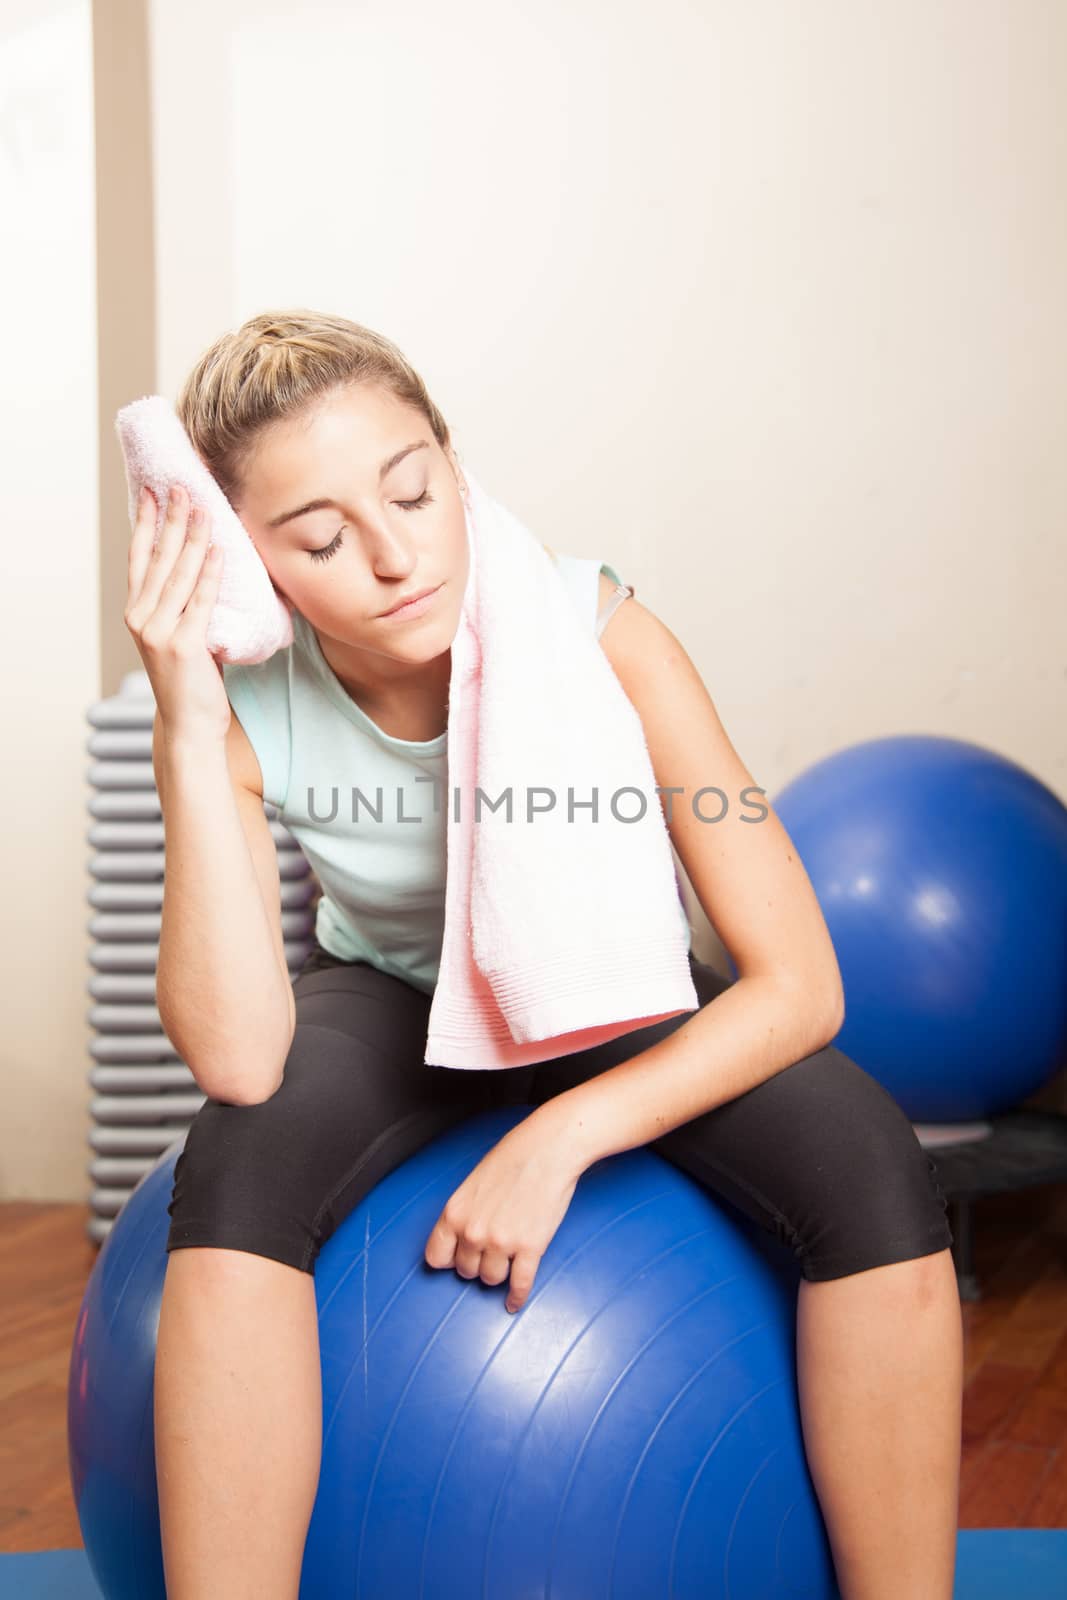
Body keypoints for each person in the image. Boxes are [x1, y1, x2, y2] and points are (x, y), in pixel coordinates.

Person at [125, 308, 962, 1600]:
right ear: (255, 564)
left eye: (414, 490)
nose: (398, 554)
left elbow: (803, 983)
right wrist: (185, 723)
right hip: (392, 1000)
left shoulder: (605, 631)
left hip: (610, 990)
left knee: (862, 1146)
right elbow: (237, 1053)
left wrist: (562, 1134)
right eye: (323, 537)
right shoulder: (249, 704)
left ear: (455, 469)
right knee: (240, 1153)